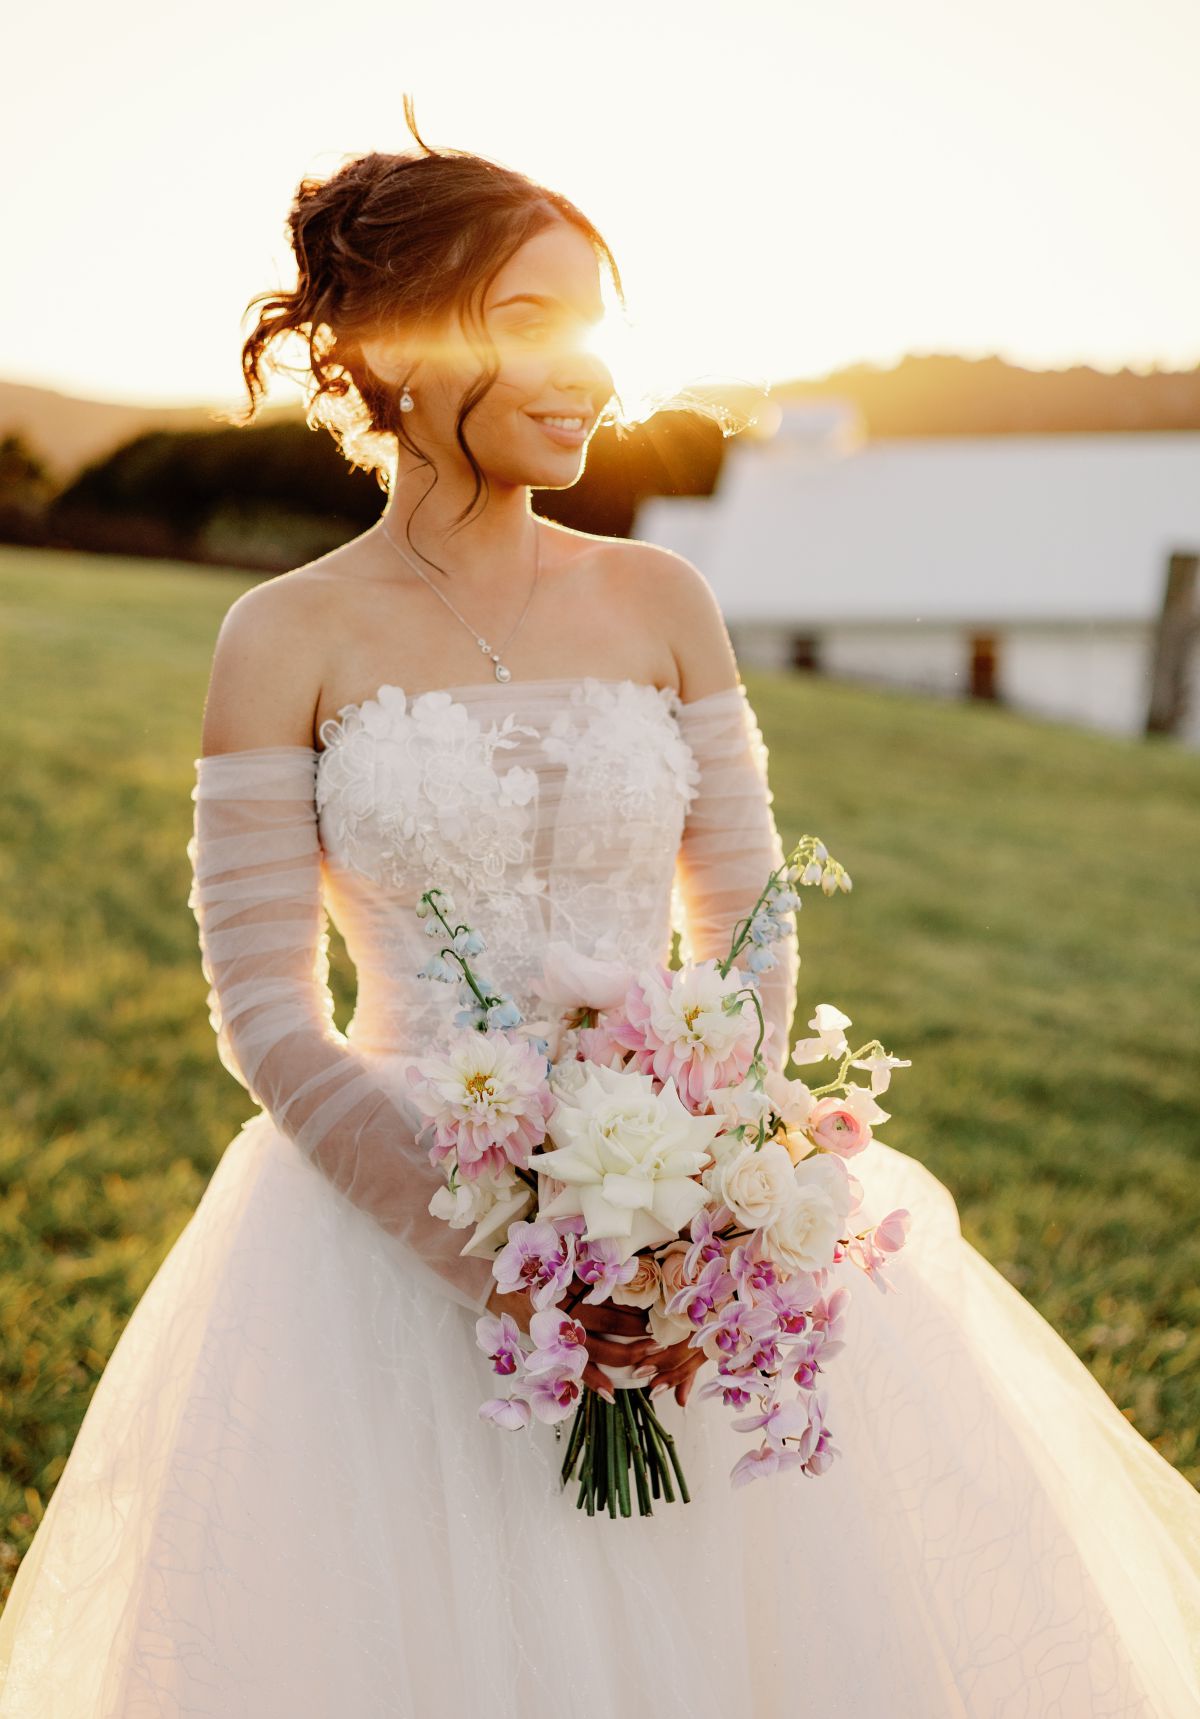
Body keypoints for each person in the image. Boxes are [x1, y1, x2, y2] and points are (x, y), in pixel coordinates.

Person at [2, 106, 1199, 1719]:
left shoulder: (661, 599)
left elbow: (749, 911)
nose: (587, 372)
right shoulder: (279, 638)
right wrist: (499, 1258)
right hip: (396, 1221)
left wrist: (695, 1169)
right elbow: (264, 1010)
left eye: (595, 324)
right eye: (527, 321)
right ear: (398, 349)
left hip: (689, 1219)